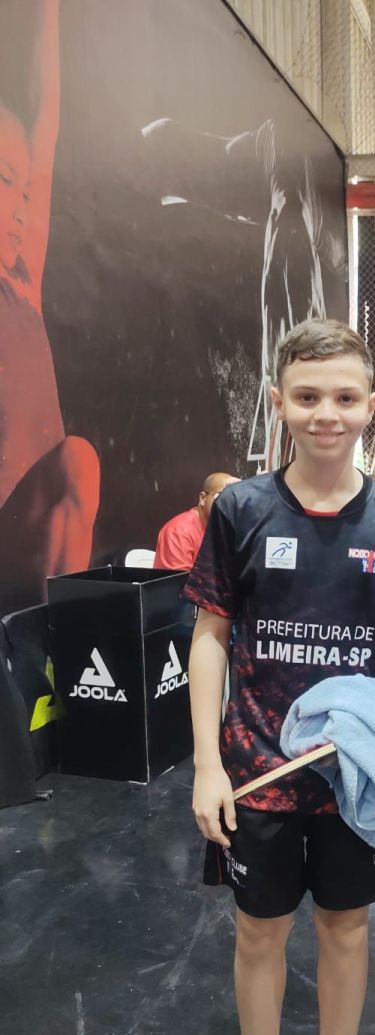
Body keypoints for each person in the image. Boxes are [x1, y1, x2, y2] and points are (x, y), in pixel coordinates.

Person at [180, 318, 375, 1035]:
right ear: (278, 401)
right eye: (308, 396)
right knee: (258, 934)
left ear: (373, 404)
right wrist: (208, 766)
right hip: (257, 769)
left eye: (345, 396)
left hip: (350, 779)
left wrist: (374, 714)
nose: (327, 412)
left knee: (346, 927)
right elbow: (210, 636)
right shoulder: (242, 510)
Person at [0, 0, 100, 613]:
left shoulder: (21, 284)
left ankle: (61, 639)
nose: (21, 205)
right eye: (4, 181)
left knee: (78, 461)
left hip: (26, 529)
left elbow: (47, 122)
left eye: (24, 188)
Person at [153, 472, 239, 570]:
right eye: (221, 497)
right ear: (202, 498)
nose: (228, 504)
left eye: (233, 500)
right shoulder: (178, 532)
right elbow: (180, 578)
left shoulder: (230, 528)